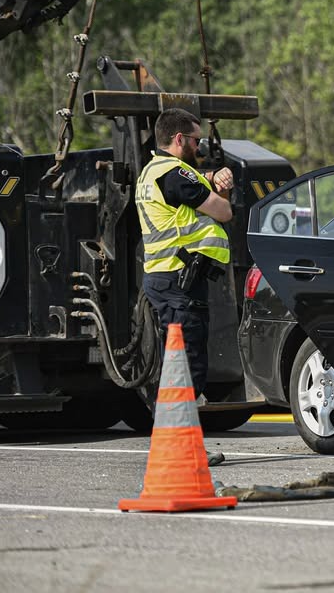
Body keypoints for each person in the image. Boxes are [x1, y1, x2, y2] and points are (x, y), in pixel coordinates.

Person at [134, 108, 234, 466]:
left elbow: (189, 185)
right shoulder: (174, 173)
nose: (200, 146)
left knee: (176, 364)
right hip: (179, 280)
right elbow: (223, 212)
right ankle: (184, 447)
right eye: (196, 140)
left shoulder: (152, 171)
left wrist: (209, 177)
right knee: (188, 365)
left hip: (166, 278)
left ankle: (174, 443)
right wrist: (224, 190)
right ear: (179, 140)